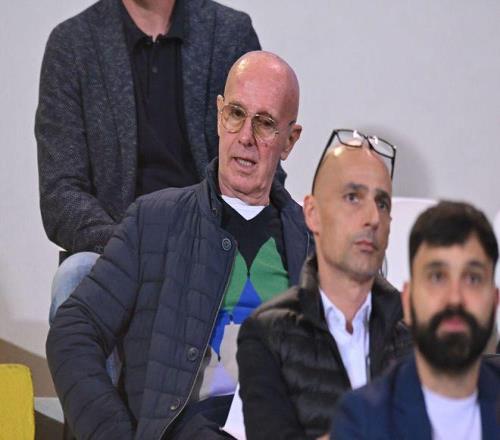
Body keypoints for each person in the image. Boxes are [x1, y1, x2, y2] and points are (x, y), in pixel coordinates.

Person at [46, 51, 308, 439]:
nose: (245, 137)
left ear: (289, 140)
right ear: (219, 116)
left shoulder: (314, 242)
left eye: (265, 123)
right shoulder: (156, 221)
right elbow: (74, 331)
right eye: (236, 114)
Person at [35, 0, 262, 322]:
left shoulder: (229, 33)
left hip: (213, 244)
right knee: (75, 277)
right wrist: (129, 246)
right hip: (113, 249)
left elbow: (261, 160)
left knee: (283, 282)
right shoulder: (72, 44)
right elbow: (60, 193)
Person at [237, 130, 412, 439]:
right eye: (353, 197)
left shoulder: (416, 331)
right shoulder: (268, 333)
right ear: (313, 214)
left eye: (382, 203)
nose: (372, 217)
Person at [331, 201, 500, 440]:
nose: (455, 298)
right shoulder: (363, 420)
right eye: (437, 277)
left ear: (494, 301)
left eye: (473, 279)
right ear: (408, 301)